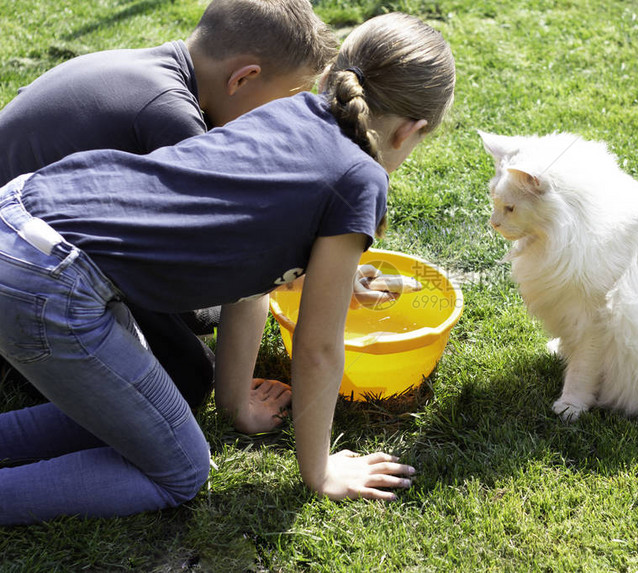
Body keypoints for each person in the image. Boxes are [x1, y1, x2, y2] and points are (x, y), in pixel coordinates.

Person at [0, 12, 456, 525]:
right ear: (412, 132)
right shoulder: (361, 178)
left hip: (21, 214)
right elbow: (318, 348)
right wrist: (320, 472)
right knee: (181, 472)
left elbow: (249, 287)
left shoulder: (284, 112)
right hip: (47, 278)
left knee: (136, 416)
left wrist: (235, 404)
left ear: (330, 76)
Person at [0, 0, 338, 410]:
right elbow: (240, 248)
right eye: (283, 103)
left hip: (37, 241)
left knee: (201, 311)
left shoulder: (150, 70)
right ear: (243, 79)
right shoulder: (171, 117)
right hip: (29, 279)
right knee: (187, 379)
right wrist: (312, 268)